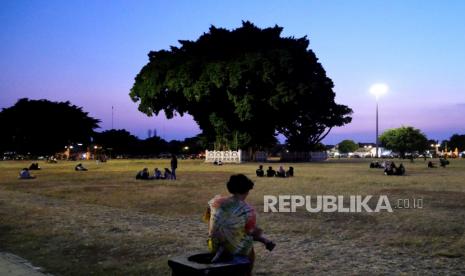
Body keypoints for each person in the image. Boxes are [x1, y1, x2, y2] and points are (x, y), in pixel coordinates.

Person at [203, 174, 275, 275]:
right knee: (248, 245)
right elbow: (251, 233)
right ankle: (246, 272)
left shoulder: (215, 202)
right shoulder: (248, 210)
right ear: (247, 190)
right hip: (233, 250)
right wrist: (263, 239)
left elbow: (211, 220)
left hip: (213, 245)